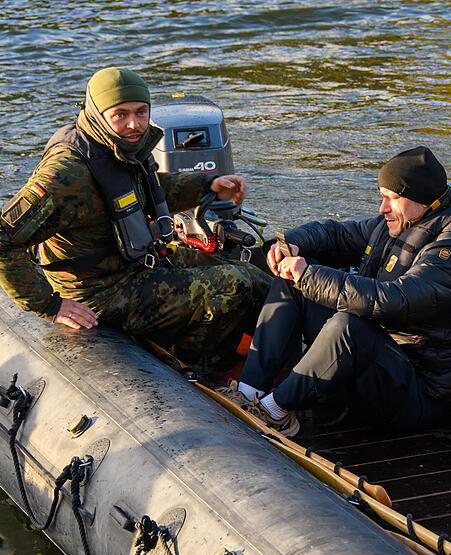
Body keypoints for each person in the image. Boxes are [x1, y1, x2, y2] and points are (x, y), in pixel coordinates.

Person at [0, 67, 271, 372]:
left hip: (136, 262)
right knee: (233, 286)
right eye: (120, 115)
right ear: (97, 114)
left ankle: (282, 353)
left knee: (254, 278)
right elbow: (4, 238)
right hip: (99, 291)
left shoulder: (121, 148)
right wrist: (49, 305)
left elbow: (150, 189)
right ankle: (203, 367)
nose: (134, 124)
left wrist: (207, 185)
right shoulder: (65, 174)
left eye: (142, 112)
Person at [223, 146, 451, 437]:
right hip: (376, 363)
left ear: (420, 198)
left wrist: (308, 276)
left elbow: (398, 299)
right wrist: (294, 244)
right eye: (381, 196)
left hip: (416, 389)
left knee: (347, 324)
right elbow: (335, 234)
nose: (382, 208)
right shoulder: (393, 226)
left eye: (392, 198)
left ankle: (276, 412)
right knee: (292, 281)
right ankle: (248, 391)